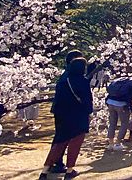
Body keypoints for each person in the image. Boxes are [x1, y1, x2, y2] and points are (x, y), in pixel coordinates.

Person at [39, 51, 93, 179]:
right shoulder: (83, 81)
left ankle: (45, 171)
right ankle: (69, 171)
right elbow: (87, 100)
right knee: (75, 143)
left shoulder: (63, 80)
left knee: (59, 142)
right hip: (79, 116)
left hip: (62, 115)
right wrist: (89, 112)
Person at [104, 75, 132, 151]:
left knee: (112, 123)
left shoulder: (123, 80)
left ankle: (110, 144)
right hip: (121, 104)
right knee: (124, 123)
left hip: (110, 102)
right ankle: (118, 143)